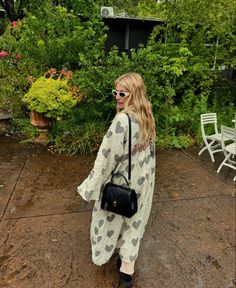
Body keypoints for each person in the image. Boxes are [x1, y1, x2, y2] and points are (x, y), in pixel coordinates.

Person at [77, 72, 156, 288]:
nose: (117, 97)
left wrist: (90, 187)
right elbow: (150, 153)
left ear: (135, 94)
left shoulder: (122, 121)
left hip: (122, 183)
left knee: (107, 221)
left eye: (122, 93)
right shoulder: (147, 115)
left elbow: (106, 160)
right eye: (115, 92)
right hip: (143, 182)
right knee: (134, 223)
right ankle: (127, 271)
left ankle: (106, 255)